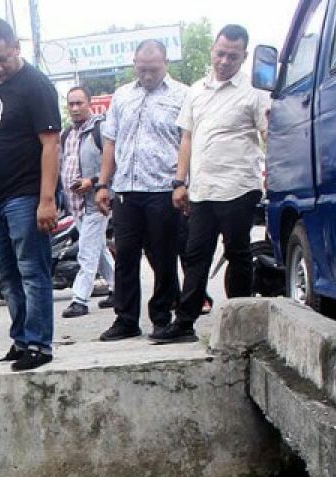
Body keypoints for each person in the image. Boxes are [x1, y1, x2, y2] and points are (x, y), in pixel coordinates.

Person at [156, 24, 270, 344]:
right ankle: (185, 321)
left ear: (244, 57)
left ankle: (239, 321)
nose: (224, 61)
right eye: (220, 53)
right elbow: (187, 139)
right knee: (195, 254)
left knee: (238, 253)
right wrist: (180, 182)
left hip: (239, 186)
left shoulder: (255, 92)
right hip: (202, 190)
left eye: (232, 56)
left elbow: (268, 134)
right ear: (212, 51)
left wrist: (272, 171)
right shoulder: (196, 91)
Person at [0, 16, 60, 371]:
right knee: (5, 274)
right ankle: (21, 338)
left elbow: (51, 143)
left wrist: (47, 199)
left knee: (31, 269)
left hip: (26, 194)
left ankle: (39, 343)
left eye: (2, 59)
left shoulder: (36, 85)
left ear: (16, 48)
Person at [95, 40, 189, 342]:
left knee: (163, 258)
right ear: (134, 64)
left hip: (163, 189)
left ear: (166, 63)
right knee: (125, 257)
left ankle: (162, 317)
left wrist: (182, 182)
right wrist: (103, 185)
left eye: (153, 68)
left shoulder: (182, 95)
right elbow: (110, 142)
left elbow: (188, 143)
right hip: (126, 190)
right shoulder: (122, 96)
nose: (147, 74)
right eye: (142, 68)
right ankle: (125, 319)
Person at [60, 86, 115, 318]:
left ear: (89, 103)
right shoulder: (67, 134)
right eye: (71, 104)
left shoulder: (99, 130)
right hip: (76, 205)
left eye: (79, 103)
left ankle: (80, 299)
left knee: (87, 251)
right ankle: (118, 287)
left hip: (97, 202)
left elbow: (113, 163)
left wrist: (93, 181)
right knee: (98, 249)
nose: (75, 108)